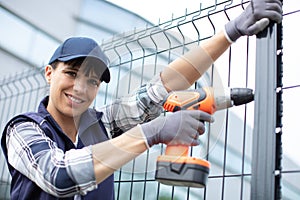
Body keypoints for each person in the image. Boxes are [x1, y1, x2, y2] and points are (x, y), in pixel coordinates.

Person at [1, 0, 282, 199]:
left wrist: (229, 33)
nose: (80, 87)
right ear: (50, 73)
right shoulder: (24, 129)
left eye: (92, 80)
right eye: (72, 73)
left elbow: (161, 88)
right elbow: (58, 176)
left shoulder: (101, 125)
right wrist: (151, 132)